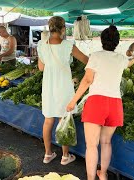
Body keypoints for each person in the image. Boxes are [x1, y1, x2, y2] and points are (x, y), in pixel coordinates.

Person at [66, 25, 134, 180]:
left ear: (101, 41)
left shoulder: (96, 56)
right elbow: (129, 63)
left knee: (92, 146)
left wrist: (73, 101)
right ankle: (103, 173)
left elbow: (87, 80)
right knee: (106, 142)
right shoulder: (121, 58)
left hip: (96, 102)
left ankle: (91, 177)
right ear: (117, 42)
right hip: (114, 105)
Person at [37, 16, 88, 165]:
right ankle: (65, 156)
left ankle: (48, 154)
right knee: (63, 120)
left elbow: (41, 68)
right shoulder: (68, 45)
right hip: (64, 86)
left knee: (48, 120)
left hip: (48, 86)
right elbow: (86, 60)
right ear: (63, 29)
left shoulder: (41, 45)